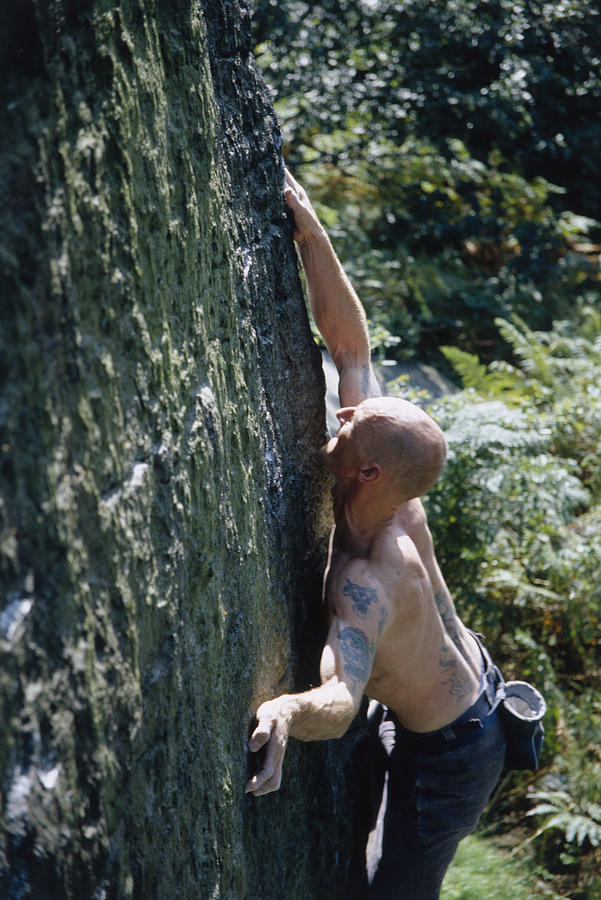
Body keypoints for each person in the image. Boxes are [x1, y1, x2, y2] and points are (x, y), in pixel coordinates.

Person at [246, 170, 506, 898]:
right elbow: (350, 348)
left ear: (366, 473)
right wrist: (310, 231)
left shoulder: (367, 579)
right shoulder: (393, 490)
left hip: (453, 750)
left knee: (396, 893)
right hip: (458, 696)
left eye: (353, 422)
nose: (342, 412)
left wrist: (281, 710)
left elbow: (340, 699)